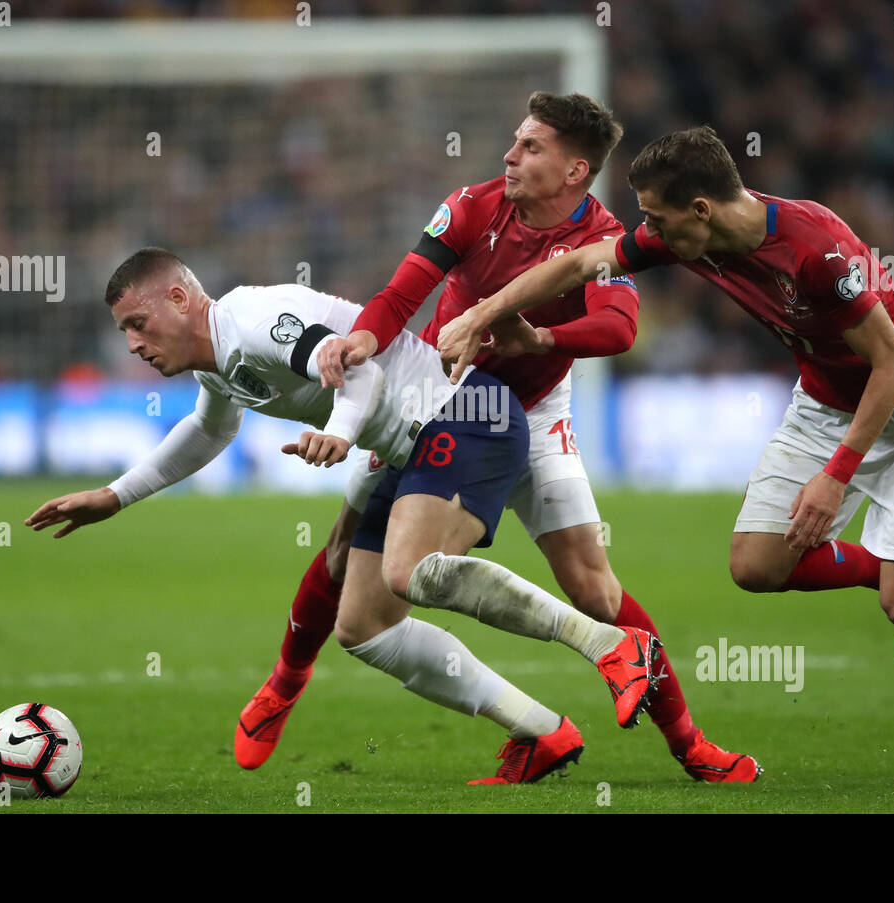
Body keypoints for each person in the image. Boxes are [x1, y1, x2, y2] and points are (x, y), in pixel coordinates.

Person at [439, 126, 894, 788]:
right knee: (755, 566)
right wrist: (485, 314)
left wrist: (834, 477)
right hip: (823, 404)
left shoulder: (817, 248)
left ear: (700, 209)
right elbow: (579, 264)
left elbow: (893, 364)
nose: (650, 231)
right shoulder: (686, 237)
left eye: (658, 218)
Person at [237, 92, 759, 784]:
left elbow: (620, 329)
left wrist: (540, 336)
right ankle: (283, 683)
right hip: (434, 399)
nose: (509, 155)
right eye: (515, 141)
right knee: (342, 552)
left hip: (536, 412)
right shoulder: (473, 205)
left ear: (576, 170)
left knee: (596, 591)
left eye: (530, 147)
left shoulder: (599, 240)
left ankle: (690, 743)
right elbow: (401, 293)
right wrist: (365, 336)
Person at [25, 248, 661, 784]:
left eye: (138, 323)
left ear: (178, 297)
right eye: (124, 332)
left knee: (411, 572)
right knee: (362, 629)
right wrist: (114, 497)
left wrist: (338, 432)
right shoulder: (218, 365)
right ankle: (542, 732)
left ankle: (611, 646)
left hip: (467, 415)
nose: (133, 344)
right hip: (411, 447)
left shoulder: (255, 321)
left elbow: (358, 376)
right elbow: (207, 431)